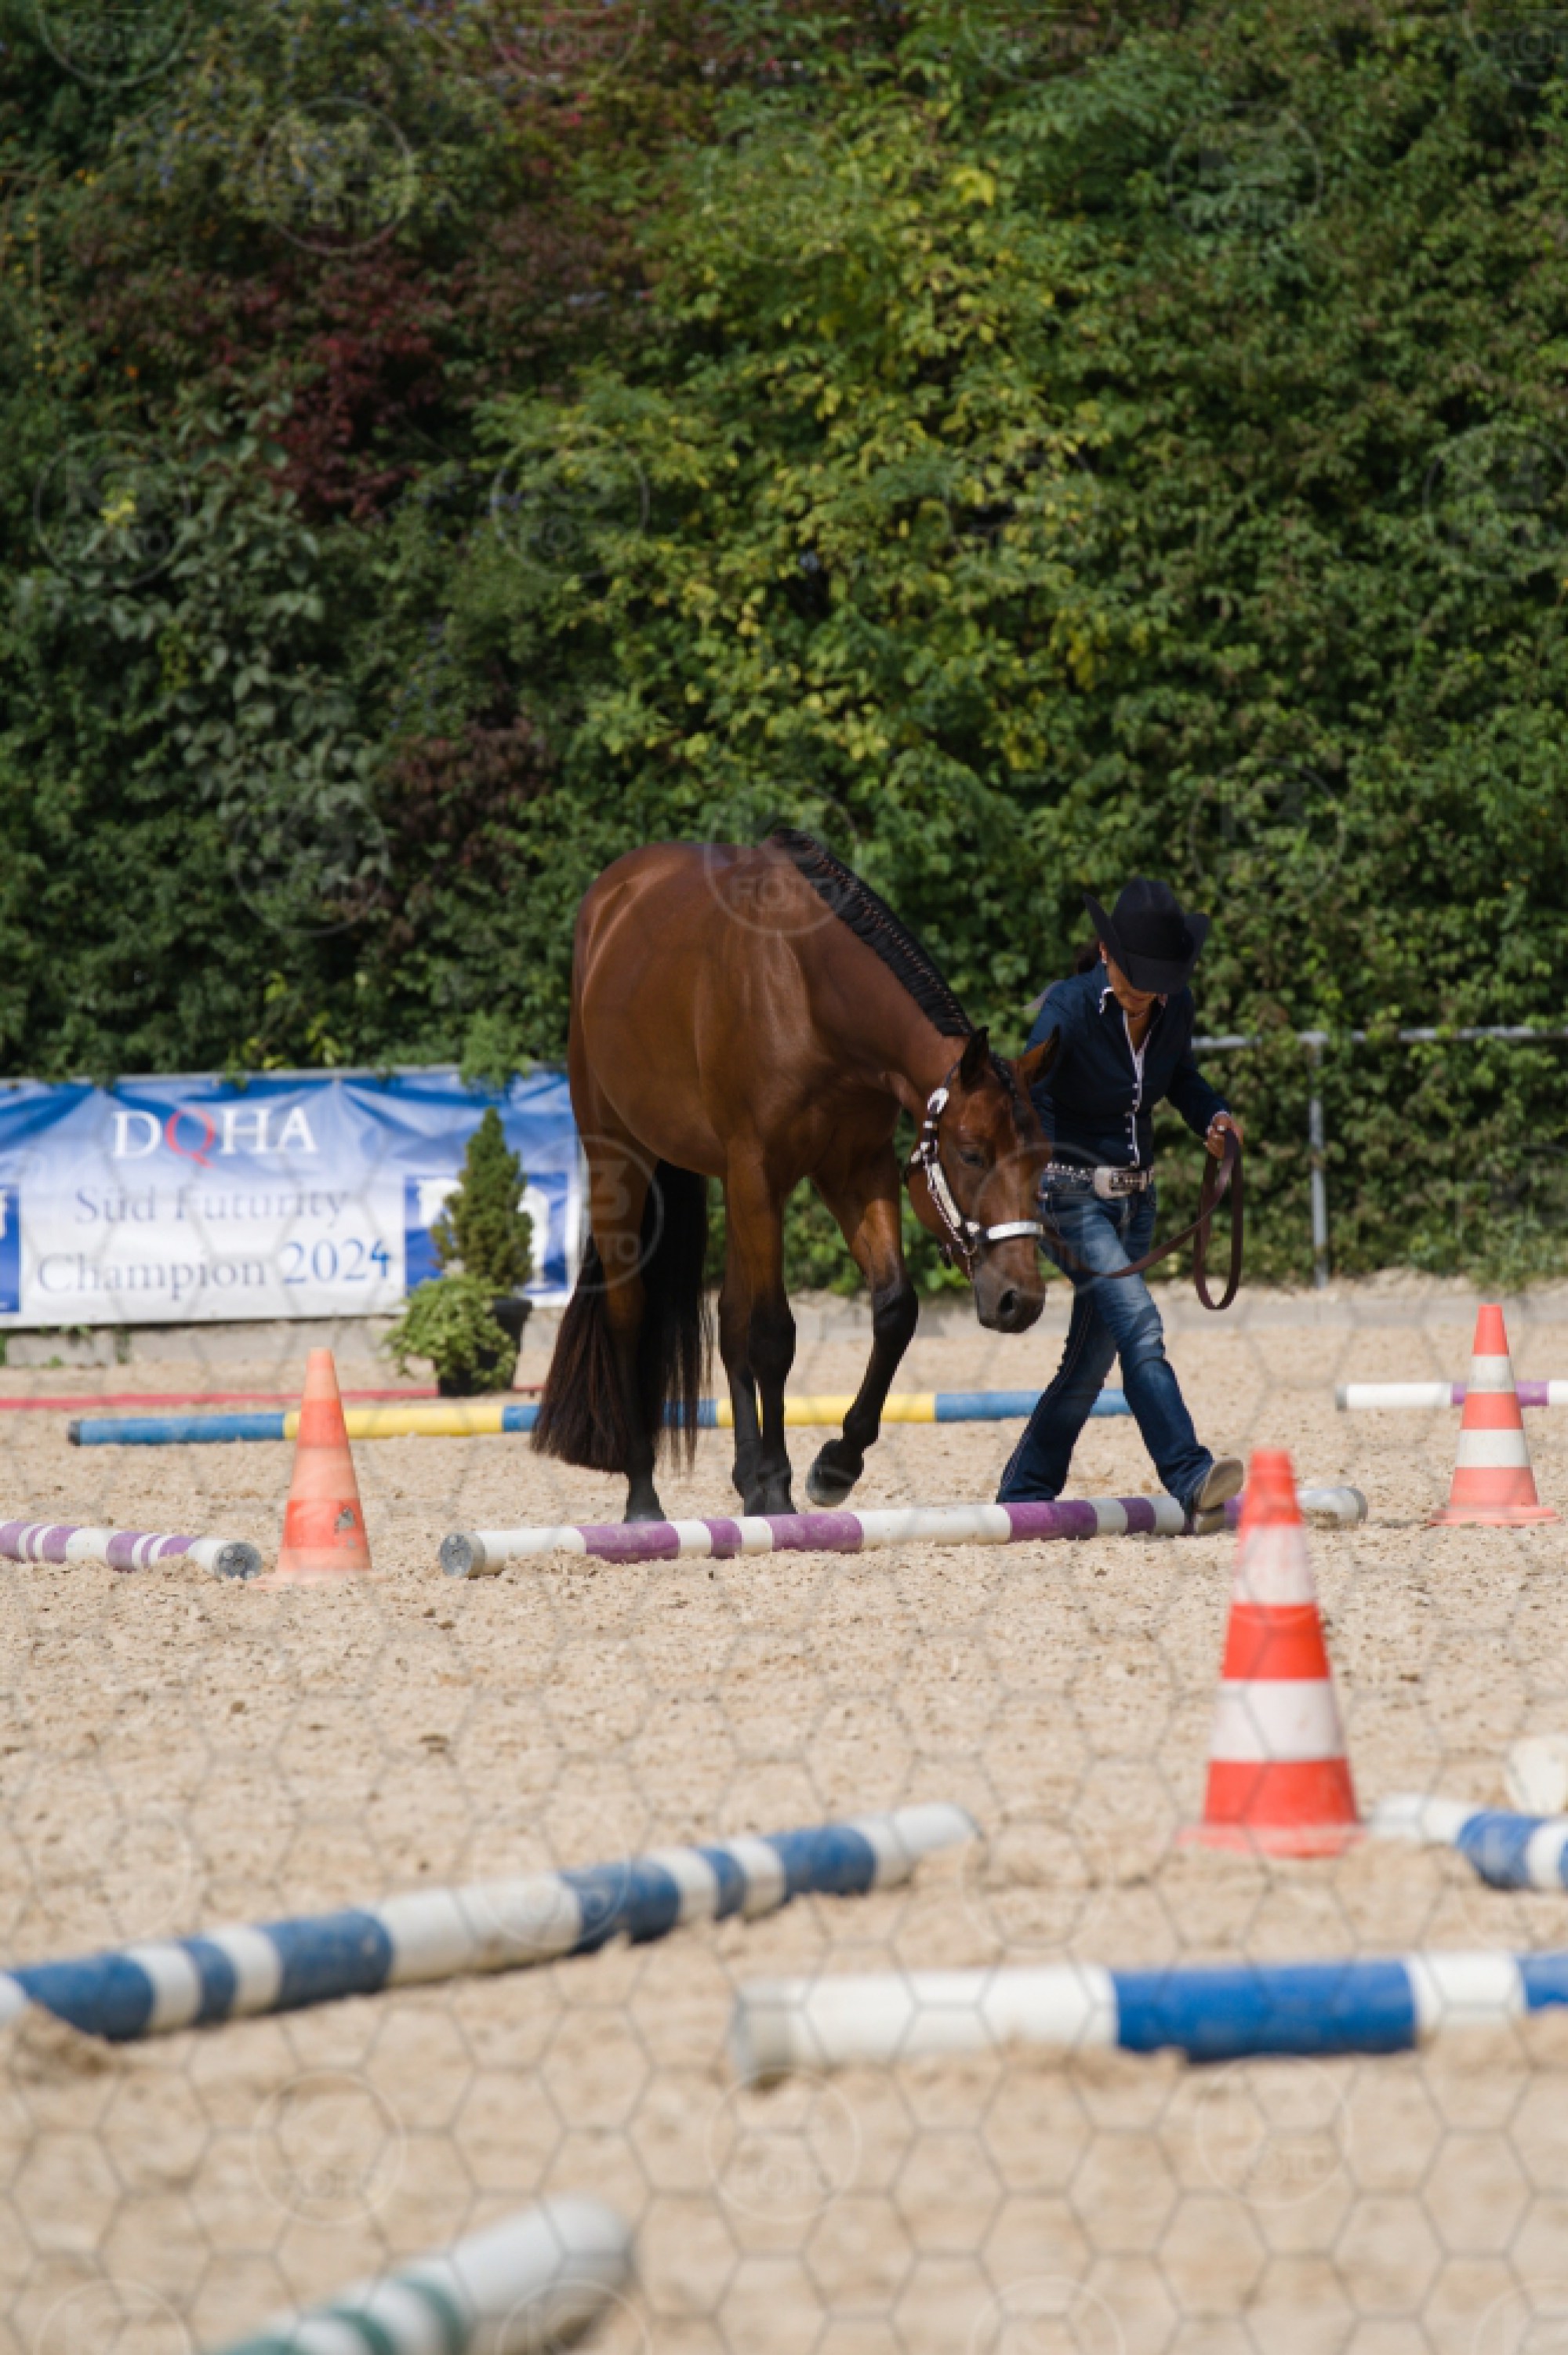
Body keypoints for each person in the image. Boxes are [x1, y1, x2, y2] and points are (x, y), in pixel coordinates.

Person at [998, 877, 1245, 1534]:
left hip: (1139, 1201)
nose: (1149, 992)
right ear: (1106, 952)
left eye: (1161, 980)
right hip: (1069, 1198)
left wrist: (1213, 1117)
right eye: (1138, 977)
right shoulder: (1068, 1009)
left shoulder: (1174, 1006)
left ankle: (1024, 1491)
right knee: (1140, 1324)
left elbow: (1181, 1076)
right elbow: (1025, 1096)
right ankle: (1190, 1473)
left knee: (1088, 1363)